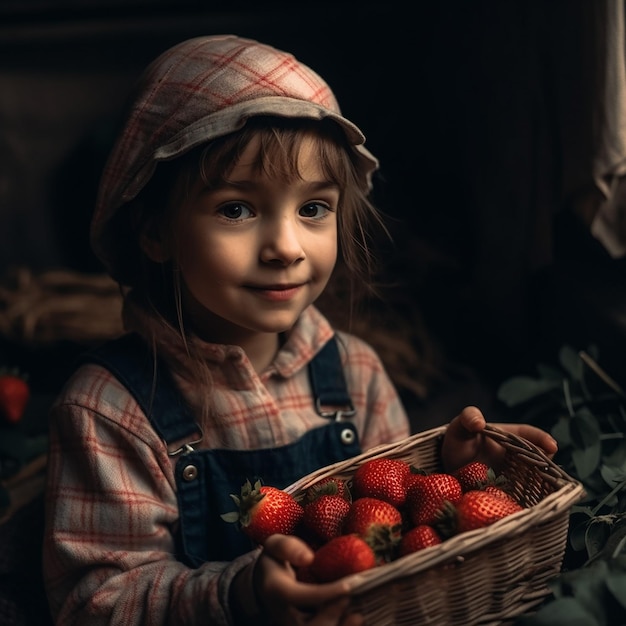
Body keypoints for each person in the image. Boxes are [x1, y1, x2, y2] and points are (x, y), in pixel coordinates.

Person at [42, 34, 558, 626]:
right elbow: (95, 605)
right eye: (236, 209)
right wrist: (240, 595)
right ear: (155, 231)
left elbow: (393, 530)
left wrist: (443, 470)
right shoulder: (110, 411)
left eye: (313, 208)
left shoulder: (354, 372)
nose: (285, 248)